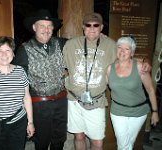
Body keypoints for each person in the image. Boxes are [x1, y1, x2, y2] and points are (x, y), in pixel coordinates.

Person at [62, 12, 151, 150]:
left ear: (101, 27)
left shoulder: (111, 45)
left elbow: (126, 55)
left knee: (97, 142)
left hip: (96, 102)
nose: (92, 28)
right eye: (88, 25)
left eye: (96, 25)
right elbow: (60, 64)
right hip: (74, 100)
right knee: (78, 136)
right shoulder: (71, 44)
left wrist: (145, 61)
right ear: (83, 27)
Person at [12, 9, 68, 150]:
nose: (46, 29)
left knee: (59, 139)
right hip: (40, 105)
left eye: (49, 26)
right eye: (42, 26)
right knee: (42, 141)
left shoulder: (62, 44)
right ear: (34, 28)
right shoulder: (24, 49)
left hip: (62, 101)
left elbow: (82, 49)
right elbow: (15, 75)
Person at [106, 35, 159, 150]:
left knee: (129, 142)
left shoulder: (140, 67)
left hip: (139, 113)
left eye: (127, 49)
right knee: (123, 144)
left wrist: (155, 111)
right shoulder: (110, 68)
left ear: (132, 52)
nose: (122, 51)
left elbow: (150, 90)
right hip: (118, 111)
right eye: (120, 47)